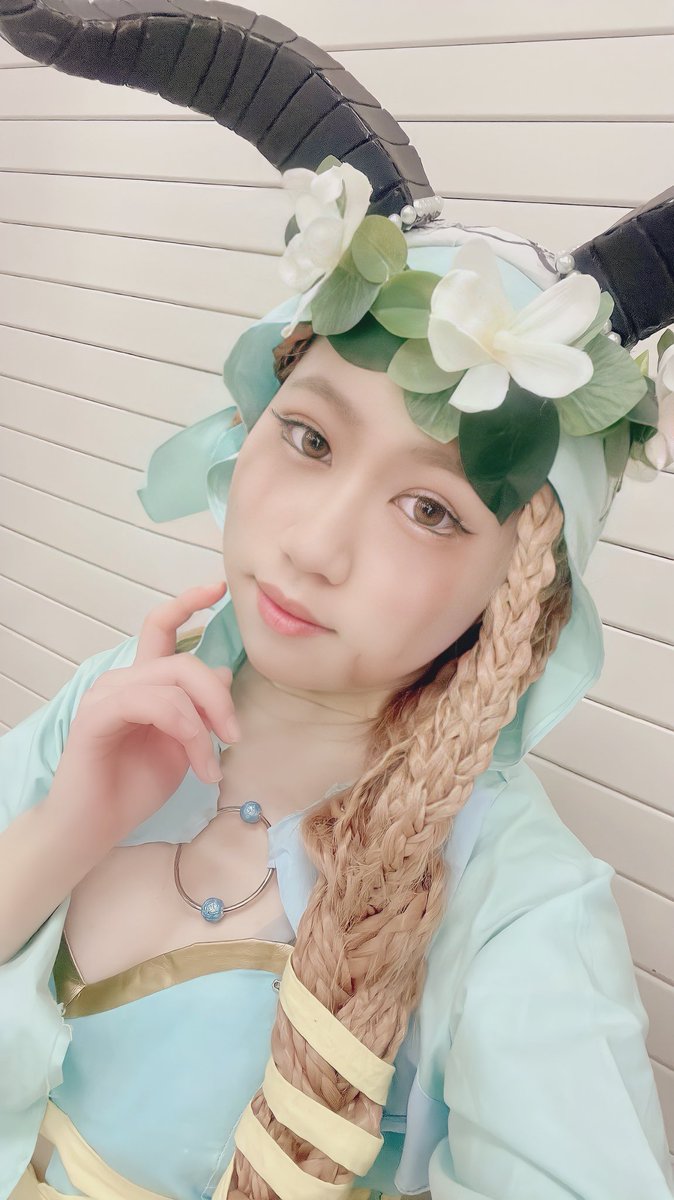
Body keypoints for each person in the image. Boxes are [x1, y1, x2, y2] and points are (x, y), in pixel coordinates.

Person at [0, 6, 673, 1200]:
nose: (312, 546)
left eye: (430, 510)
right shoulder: (122, 703)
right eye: (308, 438)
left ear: (518, 582)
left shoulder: (512, 901)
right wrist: (66, 826)